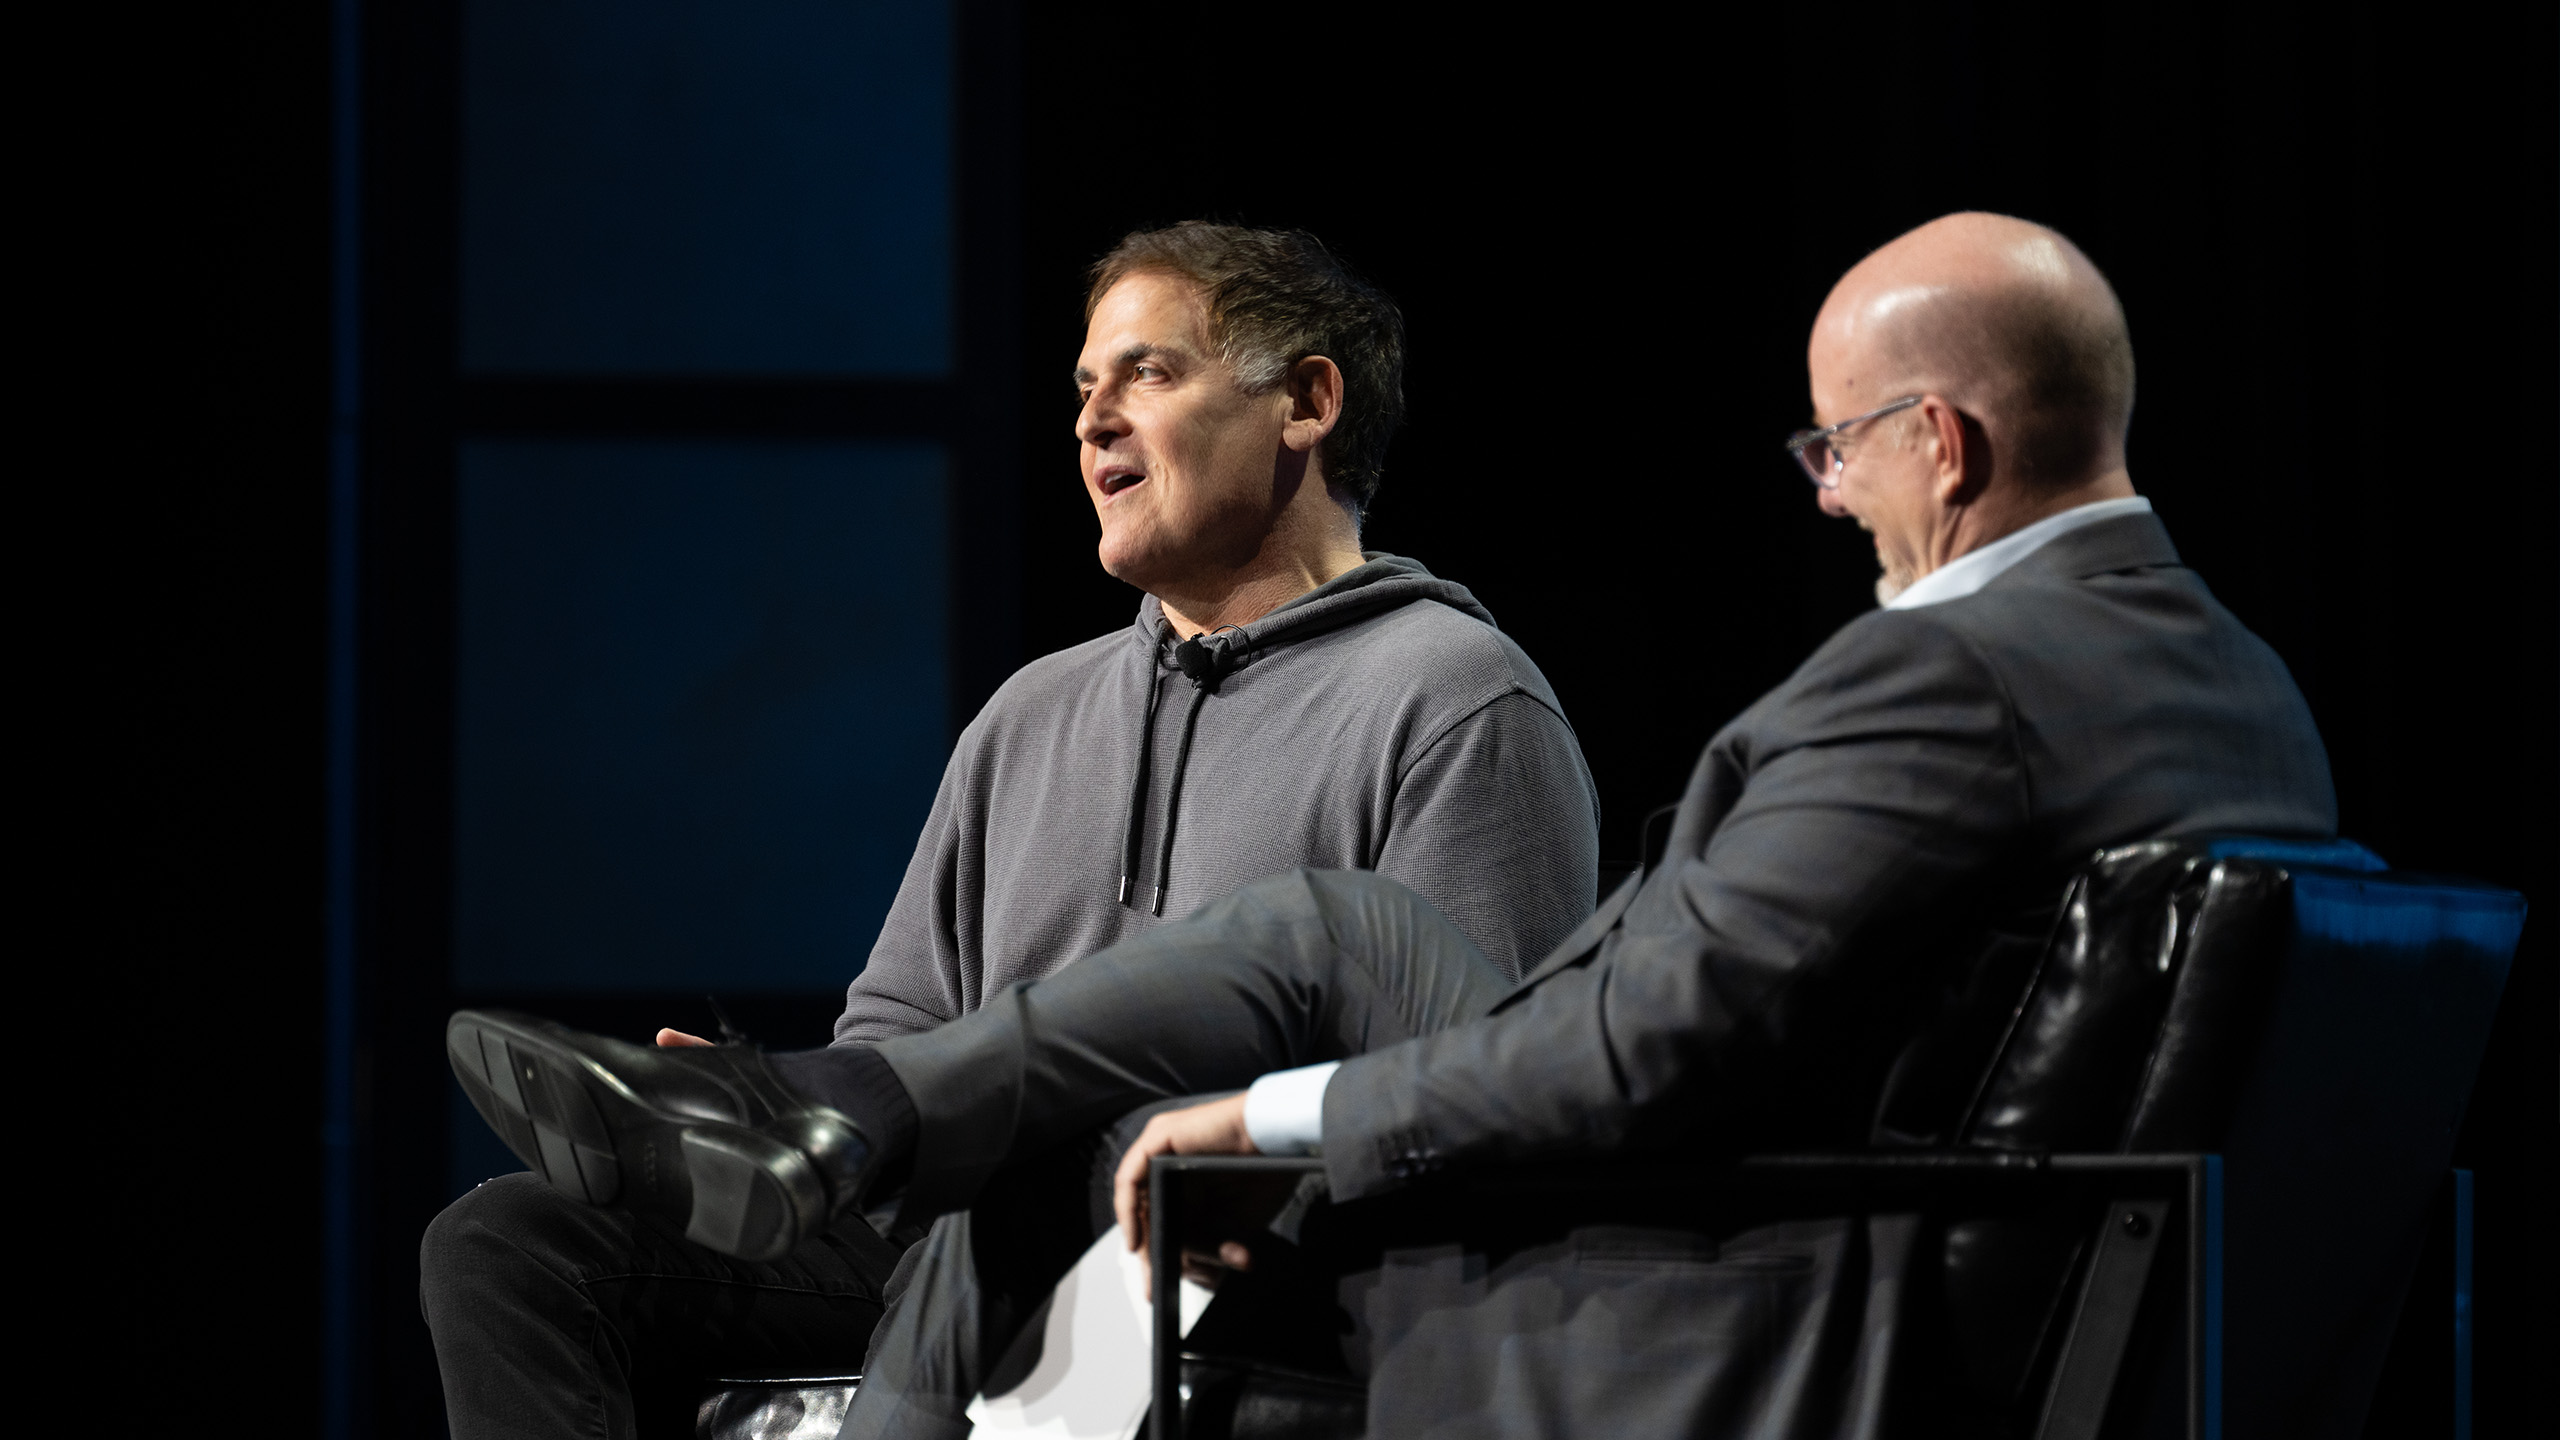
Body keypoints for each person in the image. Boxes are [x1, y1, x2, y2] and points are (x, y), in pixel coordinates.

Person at [447, 211, 2339, 1436]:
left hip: (1672, 1237)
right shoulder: (2231, 682)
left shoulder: (1928, 680)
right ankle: (818, 1122)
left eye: (1837, 449)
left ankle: (833, 1134)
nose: (1831, 500)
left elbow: (1651, 1042)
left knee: (1201, 1040)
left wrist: (1289, 1118)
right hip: (1740, 1175)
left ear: (1942, 443)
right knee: (532, 1237)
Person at [423, 223, 1601, 1440]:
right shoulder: (1032, 712)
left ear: (1305, 402)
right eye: (1084, 388)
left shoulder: (1453, 698)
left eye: (1149, 373)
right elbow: (897, 1032)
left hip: (1225, 1257)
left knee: (1021, 1208)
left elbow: (1475, 1092)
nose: (1093, 422)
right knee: (512, 1245)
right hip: (961, 1252)